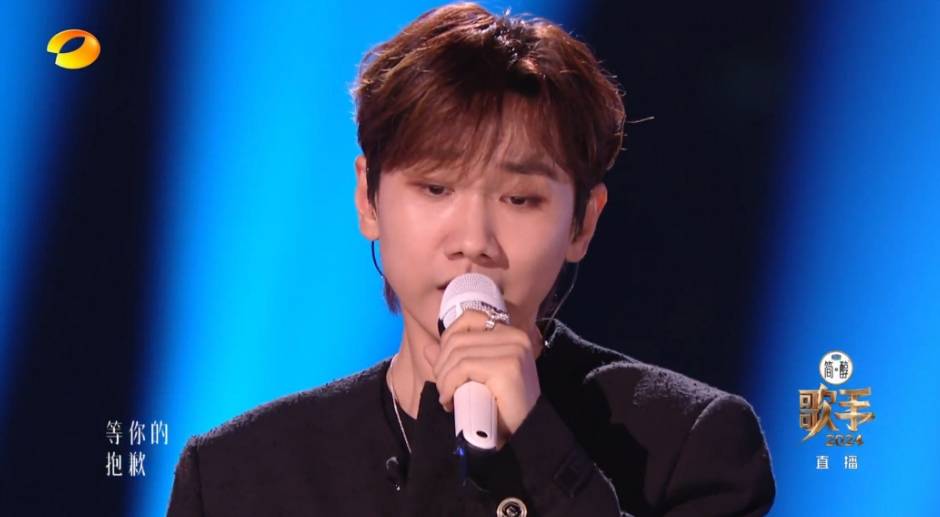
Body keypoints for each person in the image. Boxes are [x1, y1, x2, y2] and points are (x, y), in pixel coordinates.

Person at [166, 3, 776, 516]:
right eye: (436, 188)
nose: (473, 240)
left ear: (583, 222)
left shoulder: (687, 445)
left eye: (520, 199)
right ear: (368, 199)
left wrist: (538, 448)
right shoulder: (235, 476)